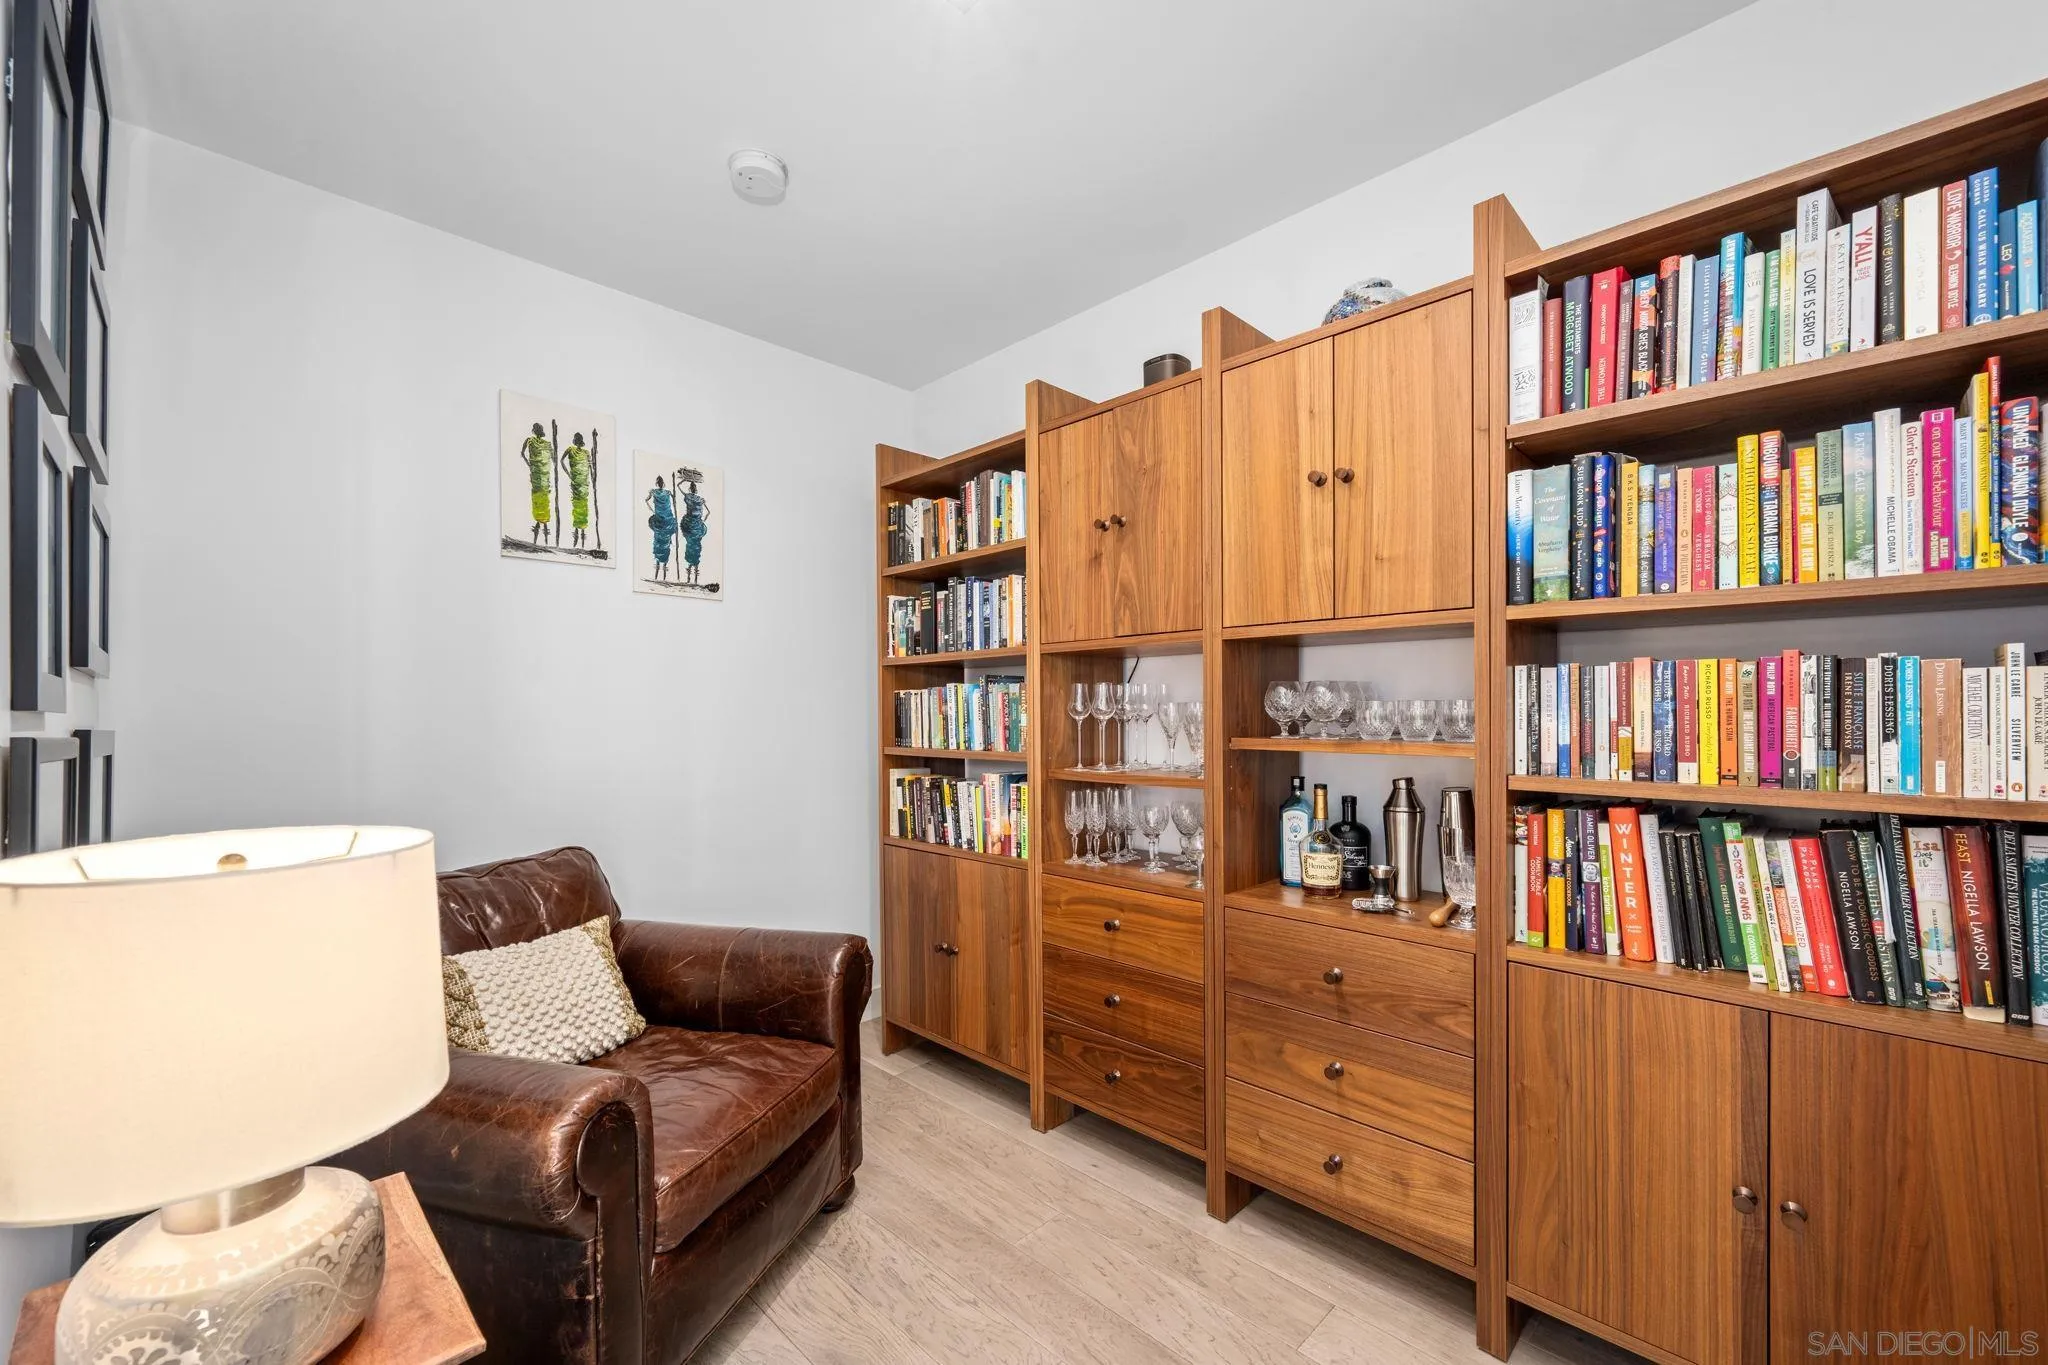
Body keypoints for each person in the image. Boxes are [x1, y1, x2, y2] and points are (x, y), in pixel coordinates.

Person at [518, 422, 553, 543]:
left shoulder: (529, 440)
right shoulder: (547, 444)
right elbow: (553, 458)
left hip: (537, 476)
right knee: (544, 502)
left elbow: (522, 453)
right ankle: (545, 540)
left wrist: (530, 465)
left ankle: (537, 540)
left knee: (538, 502)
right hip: (544, 476)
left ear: (534, 430)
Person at [561, 432, 594, 550]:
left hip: (581, 483)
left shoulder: (584, 452)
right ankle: (579, 537)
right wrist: (569, 474)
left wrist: (569, 474)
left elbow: (591, 468)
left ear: (575, 441)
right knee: (580, 506)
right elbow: (591, 469)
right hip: (580, 483)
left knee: (580, 506)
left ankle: (579, 537)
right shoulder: (577, 451)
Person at [645, 474, 677, 580]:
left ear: (656, 483)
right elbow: (674, 500)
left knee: (658, 543)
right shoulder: (668, 492)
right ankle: (663, 575)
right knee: (666, 544)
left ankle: (657, 574)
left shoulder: (653, 491)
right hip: (667, 521)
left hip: (659, 521)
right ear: (663, 483)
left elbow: (646, 500)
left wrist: (652, 510)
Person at [679, 479, 709, 586]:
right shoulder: (700, 500)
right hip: (697, 526)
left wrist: (684, 479)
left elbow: (678, 486)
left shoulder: (687, 496)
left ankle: (688, 577)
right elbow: (708, 512)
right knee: (696, 548)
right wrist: (702, 520)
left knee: (690, 546)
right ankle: (695, 578)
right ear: (696, 489)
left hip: (688, 526)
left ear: (690, 488)